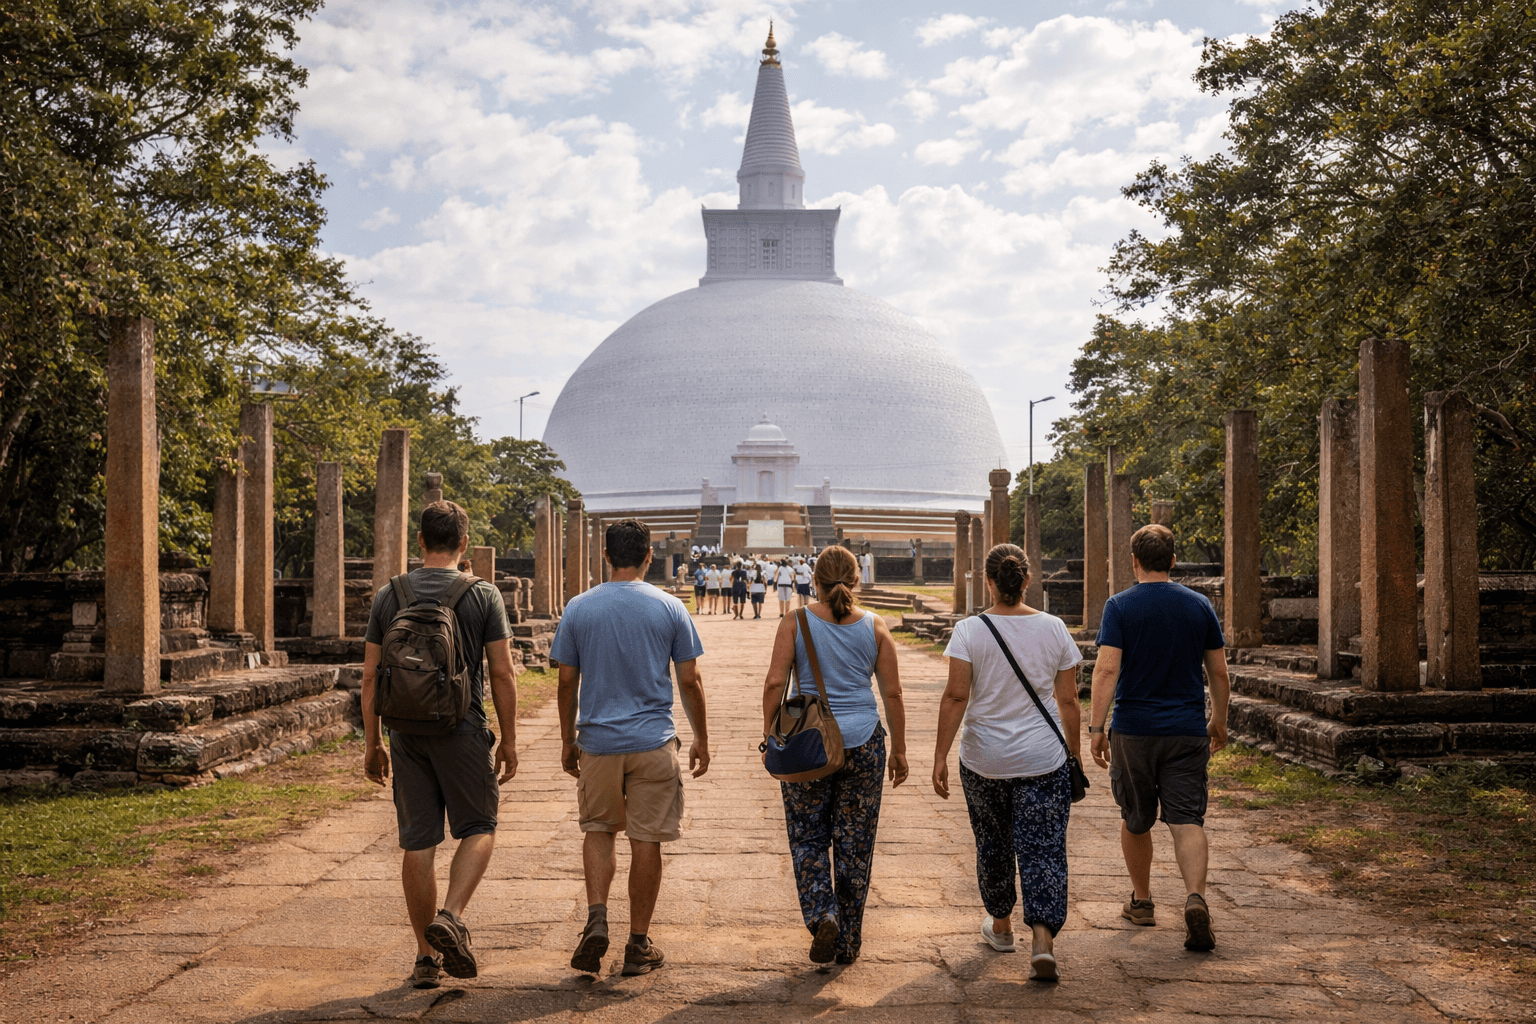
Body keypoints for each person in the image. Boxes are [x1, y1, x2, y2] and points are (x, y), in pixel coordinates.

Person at [360, 500, 518, 990]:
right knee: (480, 826)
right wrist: (509, 740)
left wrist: (373, 743)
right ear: (464, 545)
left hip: (405, 732)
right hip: (462, 727)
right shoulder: (482, 595)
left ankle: (425, 959)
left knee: (418, 840)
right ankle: (450, 915)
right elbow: (503, 672)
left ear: (421, 542)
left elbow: (369, 677)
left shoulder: (391, 594)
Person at [553, 519, 710, 978]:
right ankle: (637, 943)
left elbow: (566, 679)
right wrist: (701, 736)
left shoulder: (579, 608)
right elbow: (689, 679)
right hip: (653, 741)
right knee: (647, 840)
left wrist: (568, 738)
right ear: (649, 556)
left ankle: (597, 917)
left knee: (599, 829)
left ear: (606, 556)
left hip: (598, 742)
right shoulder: (669, 607)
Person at [932, 544, 1082, 981]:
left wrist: (940, 754)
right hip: (1042, 757)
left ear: (989, 582)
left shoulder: (969, 631)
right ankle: (1042, 940)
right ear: (1027, 581)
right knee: (1045, 848)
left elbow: (957, 695)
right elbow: (1068, 699)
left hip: (984, 759)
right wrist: (1072, 751)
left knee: (993, 842)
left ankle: (1000, 927)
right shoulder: (1054, 628)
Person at [760, 546, 908, 965]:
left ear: (814, 580)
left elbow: (775, 684)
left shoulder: (797, 621)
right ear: (855, 579)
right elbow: (892, 693)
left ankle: (822, 913)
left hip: (808, 744)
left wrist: (770, 735)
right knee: (855, 846)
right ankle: (847, 942)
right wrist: (899, 748)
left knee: (808, 837)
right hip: (864, 743)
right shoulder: (876, 627)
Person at [1089, 524, 1230, 952]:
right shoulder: (1199, 605)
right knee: (1187, 819)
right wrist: (1218, 719)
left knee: (1136, 817)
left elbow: (1107, 669)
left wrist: (1097, 727)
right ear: (1172, 560)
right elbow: (1219, 672)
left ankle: (1143, 901)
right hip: (1187, 727)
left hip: (1134, 728)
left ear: (1134, 561)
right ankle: (1195, 897)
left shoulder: (1120, 606)